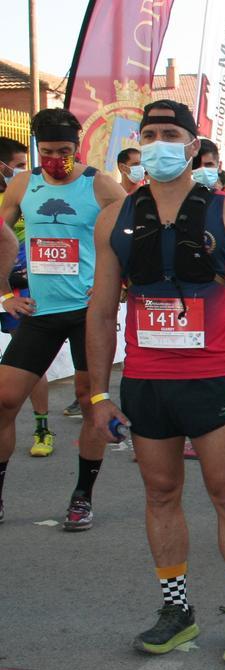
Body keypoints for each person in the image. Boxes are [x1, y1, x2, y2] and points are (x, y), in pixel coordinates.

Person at [87, 99, 225, 663]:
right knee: (161, 493)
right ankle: (177, 610)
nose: (159, 142)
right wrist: (98, 392)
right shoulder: (115, 217)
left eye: (171, 133)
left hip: (212, 377)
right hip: (146, 381)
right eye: (150, 134)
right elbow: (99, 312)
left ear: (193, 146)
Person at [0, 109, 126, 529]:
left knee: (92, 402)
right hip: (40, 312)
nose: (56, 158)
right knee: (4, 400)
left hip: (88, 314)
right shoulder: (23, 183)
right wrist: (4, 294)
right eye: (49, 151)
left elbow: (135, 232)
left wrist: (116, 282)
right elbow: (1, 235)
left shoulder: (99, 184)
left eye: (65, 151)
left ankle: (81, 497)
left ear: (78, 147)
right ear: (38, 147)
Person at [0, 136, 54, 460]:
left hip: (20, 287)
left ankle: (42, 427)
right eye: (19, 165)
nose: (24, 171)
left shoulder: (26, 194)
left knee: (30, 358)